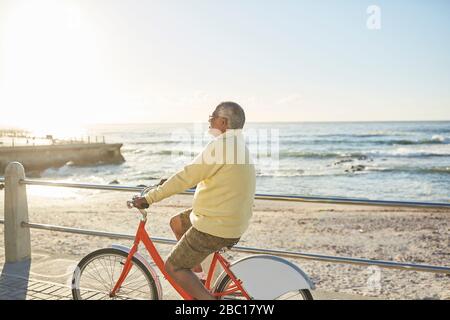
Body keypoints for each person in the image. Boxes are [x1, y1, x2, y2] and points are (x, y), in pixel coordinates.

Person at [133, 101, 256, 300]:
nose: (209, 119)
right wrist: (171, 183)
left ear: (223, 122)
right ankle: (202, 283)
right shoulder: (238, 145)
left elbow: (186, 176)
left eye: (213, 116)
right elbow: (204, 175)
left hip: (216, 225)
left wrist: (149, 198)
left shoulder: (221, 146)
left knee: (173, 266)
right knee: (178, 223)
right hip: (229, 219)